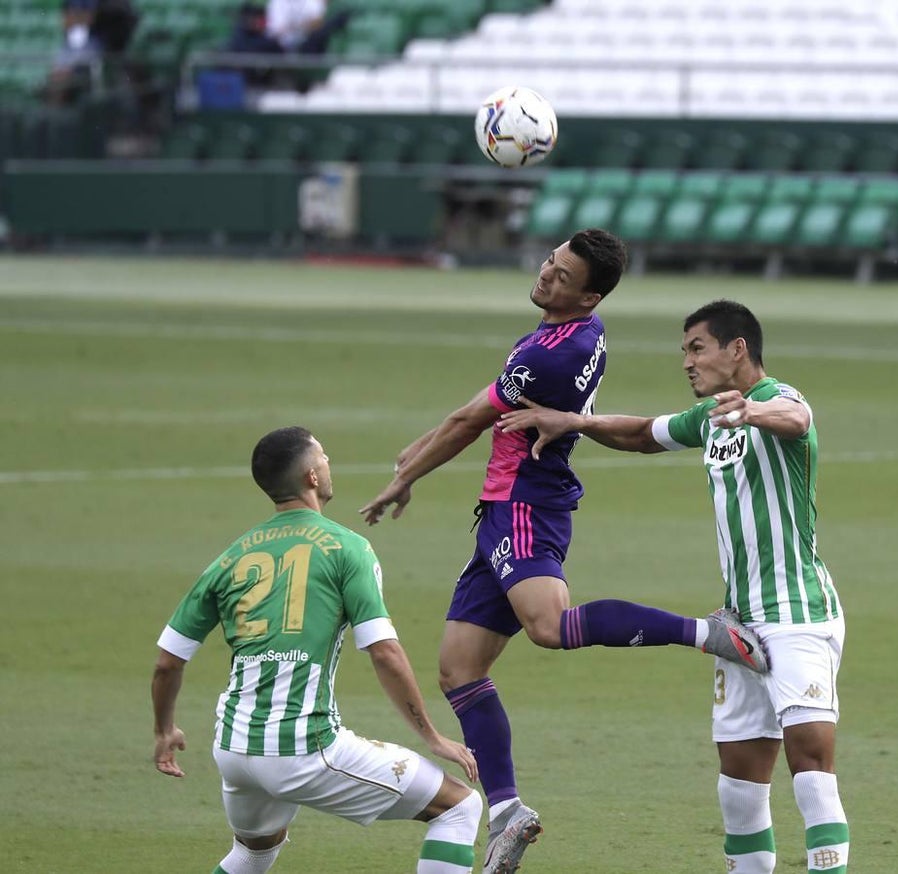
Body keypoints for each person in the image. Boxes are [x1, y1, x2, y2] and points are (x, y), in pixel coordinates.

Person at [359, 231, 768, 874]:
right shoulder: (580, 333)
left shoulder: (552, 352)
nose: (547, 273)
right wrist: (422, 444)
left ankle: (704, 631)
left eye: (563, 272)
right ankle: (508, 811)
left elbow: (474, 421)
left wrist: (408, 476)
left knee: (549, 626)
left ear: (590, 295)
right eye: (551, 259)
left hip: (524, 502)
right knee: (459, 669)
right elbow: (480, 407)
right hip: (503, 508)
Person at [499, 299, 850, 874]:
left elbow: (797, 419)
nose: (686, 362)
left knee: (810, 765)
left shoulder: (776, 400)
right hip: (736, 624)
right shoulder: (711, 416)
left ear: (737, 349)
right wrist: (576, 422)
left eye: (697, 348)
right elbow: (643, 433)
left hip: (798, 613)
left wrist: (752, 414)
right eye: (683, 352)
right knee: (739, 785)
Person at [151, 426, 481, 874]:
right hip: (302, 748)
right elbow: (384, 653)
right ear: (310, 475)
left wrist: (165, 729)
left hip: (233, 747)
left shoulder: (229, 558)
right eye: (323, 456)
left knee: (253, 851)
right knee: (459, 808)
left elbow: (168, 661)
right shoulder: (349, 549)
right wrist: (431, 736)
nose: (329, 464)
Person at [265, 0, 351, 55]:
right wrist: (303, 25)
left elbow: (317, 23)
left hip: (305, 43)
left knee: (320, 35)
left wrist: (295, 27)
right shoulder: (277, 2)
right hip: (280, 45)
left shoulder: (311, 2)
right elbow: (276, 30)